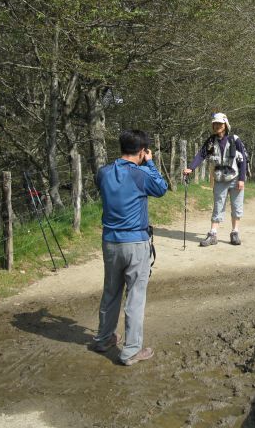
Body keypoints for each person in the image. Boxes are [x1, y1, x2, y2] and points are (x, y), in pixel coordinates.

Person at [92, 129, 168, 365]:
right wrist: (151, 162)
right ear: (143, 150)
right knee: (135, 296)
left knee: (111, 292)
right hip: (135, 243)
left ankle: (104, 338)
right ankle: (131, 350)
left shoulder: (103, 173)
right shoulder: (141, 174)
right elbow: (161, 188)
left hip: (110, 242)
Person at [183, 112, 247, 246]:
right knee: (218, 206)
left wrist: (242, 179)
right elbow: (201, 154)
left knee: (237, 206)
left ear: (225, 125)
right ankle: (213, 234)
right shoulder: (211, 140)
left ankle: (235, 233)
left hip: (235, 178)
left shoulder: (235, 140)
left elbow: (243, 160)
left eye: (219, 123)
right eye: (215, 124)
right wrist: (191, 168)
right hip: (219, 179)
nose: (217, 126)